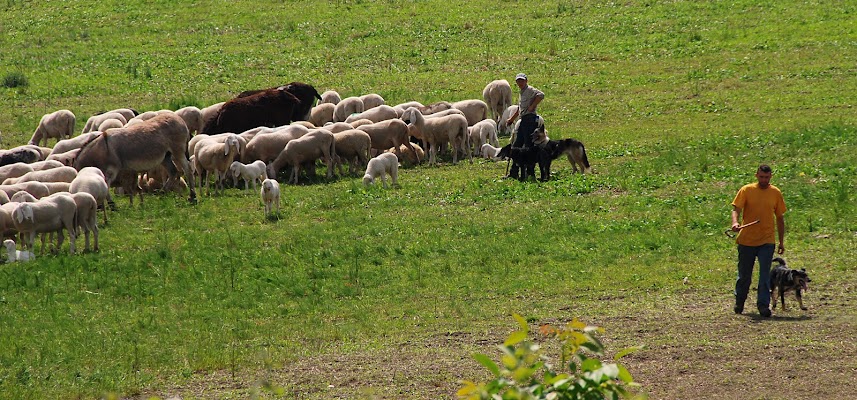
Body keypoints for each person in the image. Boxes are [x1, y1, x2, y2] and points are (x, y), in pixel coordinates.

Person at [730, 164, 786, 317]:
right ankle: (739, 301)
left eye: (767, 177)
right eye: (761, 177)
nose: (764, 180)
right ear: (756, 175)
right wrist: (735, 223)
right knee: (744, 275)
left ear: (770, 177)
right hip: (746, 240)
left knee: (764, 275)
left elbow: (780, 218)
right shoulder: (747, 190)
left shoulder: (775, 193)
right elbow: (736, 209)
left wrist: (781, 242)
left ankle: (763, 305)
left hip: (767, 241)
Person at [505, 73, 544, 179]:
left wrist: (532, 106)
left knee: (528, 146)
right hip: (523, 120)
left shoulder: (530, 90)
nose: (520, 83)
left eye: (522, 80)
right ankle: (514, 172)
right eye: (518, 81)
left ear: (526, 81)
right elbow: (520, 108)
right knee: (517, 145)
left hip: (530, 120)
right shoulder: (521, 92)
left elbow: (541, 95)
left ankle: (530, 172)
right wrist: (512, 119)